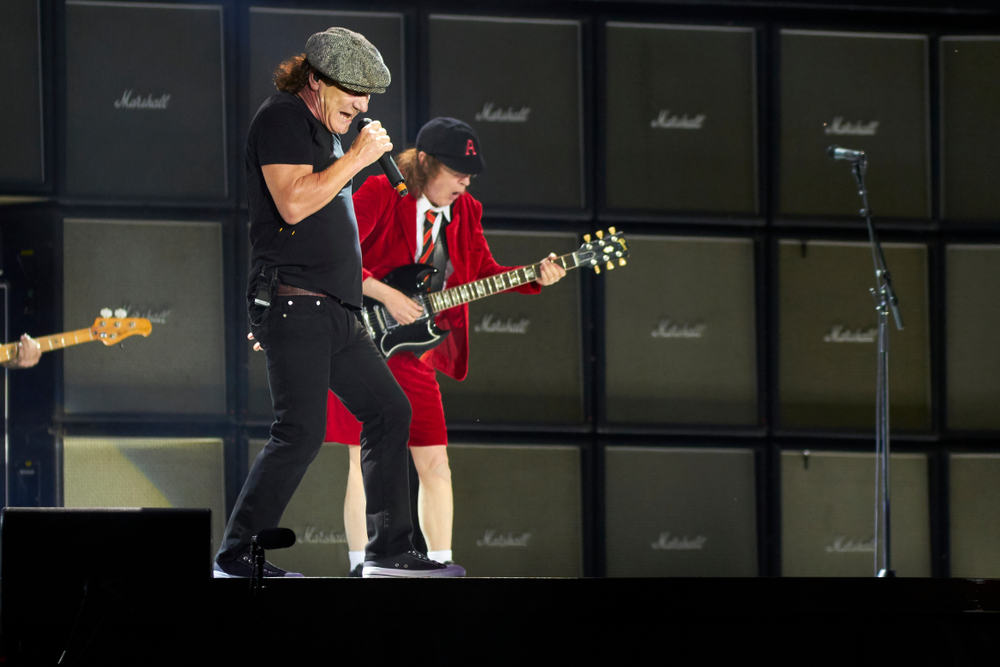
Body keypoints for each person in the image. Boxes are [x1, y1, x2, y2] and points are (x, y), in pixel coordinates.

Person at [216, 28, 459, 578]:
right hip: (297, 303)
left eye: (368, 96)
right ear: (315, 80)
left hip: (338, 312)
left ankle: (388, 551)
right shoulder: (282, 118)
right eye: (353, 92)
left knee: (390, 411)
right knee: (299, 431)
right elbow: (292, 204)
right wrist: (357, 158)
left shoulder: (327, 132)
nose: (362, 106)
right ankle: (235, 555)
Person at [325, 118, 566, 576]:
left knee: (435, 460)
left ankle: (440, 566)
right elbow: (333, 251)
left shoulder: (466, 210)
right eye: (456, 172)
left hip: (414, 351)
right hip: (357, 338)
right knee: (362, 458)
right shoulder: (381, 191)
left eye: (469, 174)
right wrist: (385, 294)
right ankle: (363, 568)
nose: (465, 182)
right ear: (424, 163)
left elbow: (481, 270)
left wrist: (534, 275)